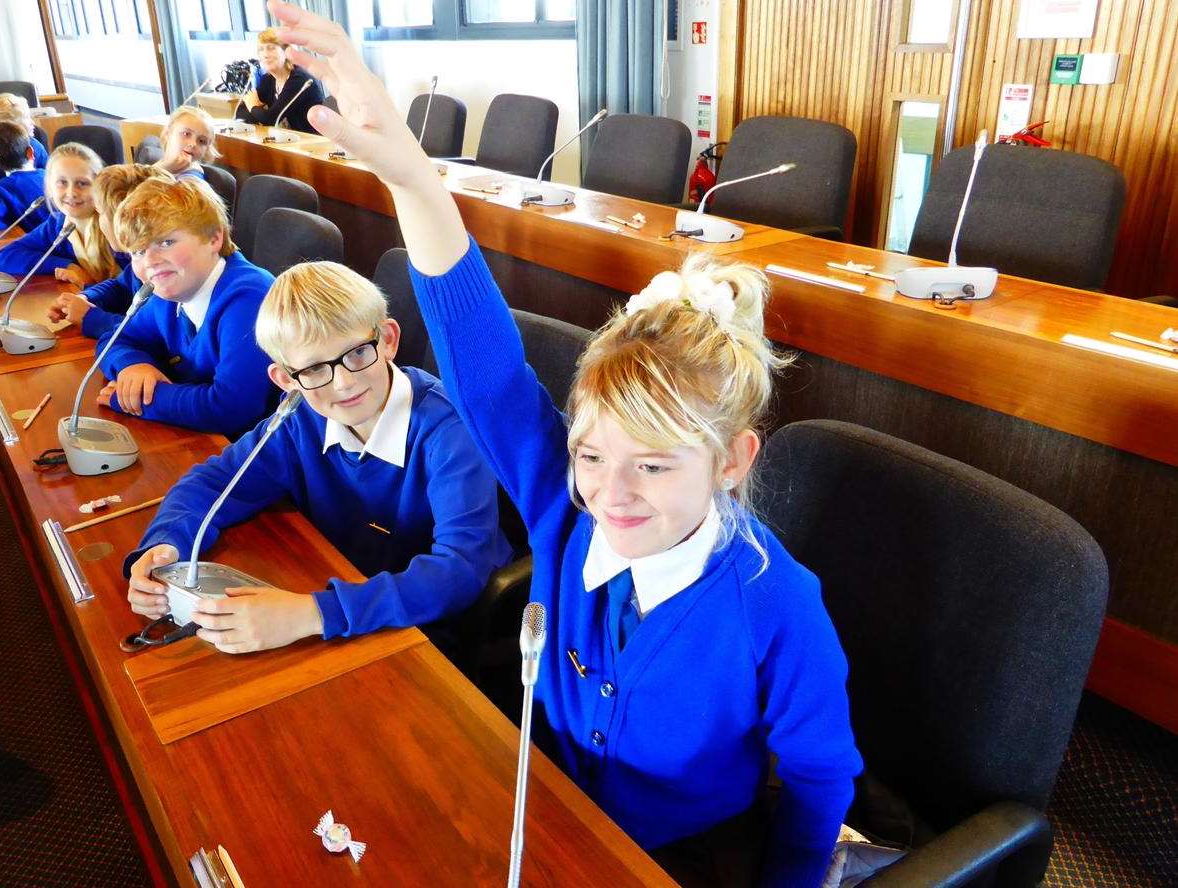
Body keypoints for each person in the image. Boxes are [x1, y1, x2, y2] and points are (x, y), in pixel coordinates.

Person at [263, 3, 862, 886]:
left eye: (653, 465)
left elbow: (819, 780)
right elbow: (488, 369)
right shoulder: (564, 505)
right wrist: (417, 187)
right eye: (590, 455)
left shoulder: (777, 605)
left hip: (679, 855)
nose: (609, 494)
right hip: (543, 804)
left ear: (731, 463)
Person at [124, 259, 512, 654]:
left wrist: (311, 614)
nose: (344, 383)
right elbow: (214, 482)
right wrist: (166, 545)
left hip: (428, 626)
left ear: (389, 340)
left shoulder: (449, 430)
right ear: (286, 379)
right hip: (342, 590)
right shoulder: (300, 418)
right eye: (313, 369)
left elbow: (460, 568)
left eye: (358, 353)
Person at [94, 176, 276, 439]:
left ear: (214, 238)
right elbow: (114, 338)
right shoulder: (168, 293)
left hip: (252, 455)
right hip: (201, 439)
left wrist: (142, 397)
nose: (150, 261)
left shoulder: (250, 297)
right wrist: (132, 365)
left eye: (165, 242)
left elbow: (232, 408)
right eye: (138, 252)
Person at [48, 164, 175, 340]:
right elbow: (120, 286)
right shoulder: (138, 259)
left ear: (121, 219)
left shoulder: (164, 270)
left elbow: (154, 334)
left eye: (100, 213)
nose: (98, 221)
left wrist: (91, 318)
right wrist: (86, 298)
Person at [0, 143, 118, 287]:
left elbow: (135, 296)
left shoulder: (114, 227)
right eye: (62, 183)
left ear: (99, 186)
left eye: (82, 183)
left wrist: (86, 284)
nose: (71, 193)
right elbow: (6, 257)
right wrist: (68, 266)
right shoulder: (58, 223)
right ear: (50, 187)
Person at [234, 28, 324, 133]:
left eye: (271, 48)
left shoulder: (300, 80)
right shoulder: (268, 80)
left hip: (311, 144)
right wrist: (257, 112)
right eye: (261, 50)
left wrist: (253, 106)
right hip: (286, 141)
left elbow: (271, 119)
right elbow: (241, 113)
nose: (265, 55)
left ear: (286, 52)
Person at [0, 121, 51, 233]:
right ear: (30, 152)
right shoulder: (48, 176)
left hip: (44, 245)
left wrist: (7, 218)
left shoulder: (2, 189)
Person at [156, 106, 218, 180]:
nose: (193, 144)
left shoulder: (192, 179)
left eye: (201, 141)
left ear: (207, 148)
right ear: (168, 134)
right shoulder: (161, 162)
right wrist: (162, 168)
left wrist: (162, 170)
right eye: (186, 134)